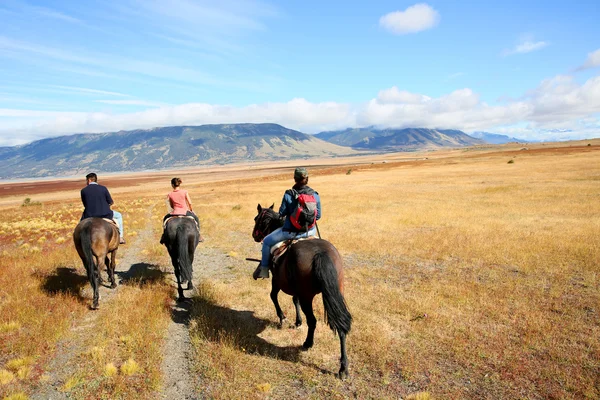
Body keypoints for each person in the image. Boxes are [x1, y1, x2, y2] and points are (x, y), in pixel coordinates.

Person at [253, 167, 321, 280]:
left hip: (290, 232)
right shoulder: (315, 195)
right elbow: (318, 216)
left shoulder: (288, 194)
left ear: (295, 179)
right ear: (307, 179)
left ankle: (264, 270)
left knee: (266, 242)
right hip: (310, 231)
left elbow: (282, 213)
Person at [80, 172, 125, 244]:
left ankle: (80, 241)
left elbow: (85, 204)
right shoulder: (103, 188)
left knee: (80, 227)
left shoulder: (83, 191)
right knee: (119, 216)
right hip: (105, 214)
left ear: (89, 180)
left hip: (89, 215)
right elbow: (110, 202)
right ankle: (121, 237)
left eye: (86, 181)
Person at [160, 177, 202, 243]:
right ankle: (199, 235)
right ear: (179, 184)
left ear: (172, 185)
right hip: (185, 212)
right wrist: (191, 210)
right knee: (196, 218)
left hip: (175, 212)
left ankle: (164, 236)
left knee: (165, 219)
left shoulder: (170, 194)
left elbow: (171, 205)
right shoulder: (185, 192)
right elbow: (190, 202)